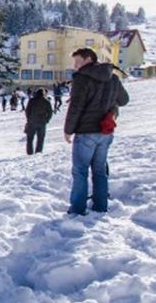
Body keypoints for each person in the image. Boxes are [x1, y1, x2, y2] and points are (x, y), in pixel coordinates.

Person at [64, 48, 129, 215]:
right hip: (105, 132)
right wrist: (110, 101)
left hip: (86, 131)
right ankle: (100, 206)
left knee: (80, 170)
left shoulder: (82, 78)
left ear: (88, 59)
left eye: (78, 61)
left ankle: (78, 209)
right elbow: (124, 100)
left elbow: (76, 106)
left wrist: (68, 130)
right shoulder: (113, 77)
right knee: (99, 170)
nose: (75, 65)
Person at [25, 89, 53, 155]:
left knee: (30, 138)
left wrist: (29, 119)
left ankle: (30, 153)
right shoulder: (46, 101)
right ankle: (38, 152)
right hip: (42, 122)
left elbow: (27, 111)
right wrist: (47, 120)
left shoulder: (31, 100)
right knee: (40, 138)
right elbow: (50, 112)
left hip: (32, 121)